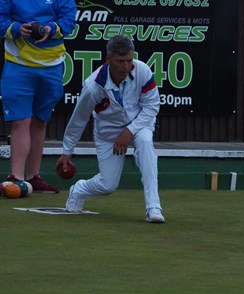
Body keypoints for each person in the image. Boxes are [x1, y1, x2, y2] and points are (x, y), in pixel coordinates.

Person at [56, 35, 165, 223]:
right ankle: (79, 189)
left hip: (139, 124)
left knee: (146, 142)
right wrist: (67, 151)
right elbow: (79, 119)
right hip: (108, 133)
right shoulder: (93, 86)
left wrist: (129, 131)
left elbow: (152, 106)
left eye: (129, 60)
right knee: (108, 185)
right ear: (108, 60)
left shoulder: (143, 71)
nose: (125, 66)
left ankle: (153, 208)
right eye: (120, 61)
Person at [0, 0, 77, 193]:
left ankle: (33, 177)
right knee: (20, 121)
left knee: (40, 121)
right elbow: (1, 19)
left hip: (52, 66)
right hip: (18, 64)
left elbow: (68, 21)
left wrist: (50, 29)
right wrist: (17, 28)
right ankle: (16, 177)